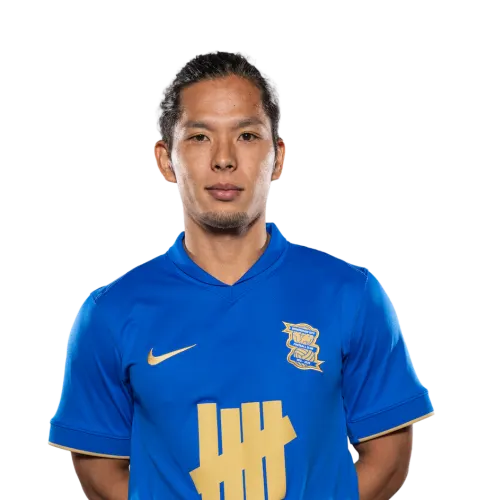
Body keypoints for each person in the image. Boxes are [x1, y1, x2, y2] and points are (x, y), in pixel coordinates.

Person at [48, 49, 435, 500]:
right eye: (200, 137)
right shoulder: (111, 312)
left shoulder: (349, 293)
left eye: (247, 135)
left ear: (278, 157)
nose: (224, 159)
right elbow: (100, 469)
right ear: (166, 160)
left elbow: (387, 456)